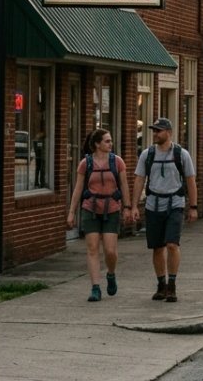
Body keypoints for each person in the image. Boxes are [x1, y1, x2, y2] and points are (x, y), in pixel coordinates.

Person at [133, 117, 197, 303]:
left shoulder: (181, 154)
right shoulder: (148, 154)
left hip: (175, 204)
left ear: (169, 133)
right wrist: (134, 205)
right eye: (154, 130)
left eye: (159, 131)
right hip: (153, 204)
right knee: (157, 247)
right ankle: (161, 284)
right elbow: (139, 179)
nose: (155, 134)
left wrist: (193, 207)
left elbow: (190, 180)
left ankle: (172, 284)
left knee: (172, 244)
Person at [65, 128, 132, 302]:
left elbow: (124, 186)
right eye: (107, 141)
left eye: (110, 141)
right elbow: (78, 189)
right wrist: (71, 212)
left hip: (112, 209)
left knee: (110, 251)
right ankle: (95, 287)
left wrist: (127, 207)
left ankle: (111, 274)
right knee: (93, 248)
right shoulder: (85, 163)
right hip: (90, 209)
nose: (111, 144)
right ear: (97, 144)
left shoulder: (117, 162)